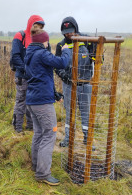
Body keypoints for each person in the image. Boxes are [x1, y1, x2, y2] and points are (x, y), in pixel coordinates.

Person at [25, 27, 70, 186]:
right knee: (50, 134)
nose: (48, 43)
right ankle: (43, 173)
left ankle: (36, 166)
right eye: (47, 40)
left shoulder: (30, 54)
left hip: (32, 100)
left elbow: (42, 77)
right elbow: (62, 63)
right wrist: (65, 51)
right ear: (43, 41)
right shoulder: (41, 54)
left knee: (38, 133)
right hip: (42, 102)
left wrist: (54, 94)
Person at [55, 16, 95, 147]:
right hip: (69, 85)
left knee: (85, 111)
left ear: (76, 28)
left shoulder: (88, 41)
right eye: (66, 32)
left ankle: (87, 138)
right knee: (69, 112)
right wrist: (66, 76)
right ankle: (68, 137)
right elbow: (57, 65)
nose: (69, 34)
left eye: (71, 31)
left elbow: (98, 58)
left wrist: (95, 55)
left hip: (85, 84)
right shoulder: (61, 45)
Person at [10, 15, 45, 133]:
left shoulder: (40, 39)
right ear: (31, 24)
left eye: (40, 27)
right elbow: (15, 56)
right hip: (22, 77)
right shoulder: (20, 36)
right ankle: (17, 128)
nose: (38, 29)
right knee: (21, 102)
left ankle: (30, 127)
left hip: (34, 77)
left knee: (32, 102)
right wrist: (26, 69)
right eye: (36, 26)